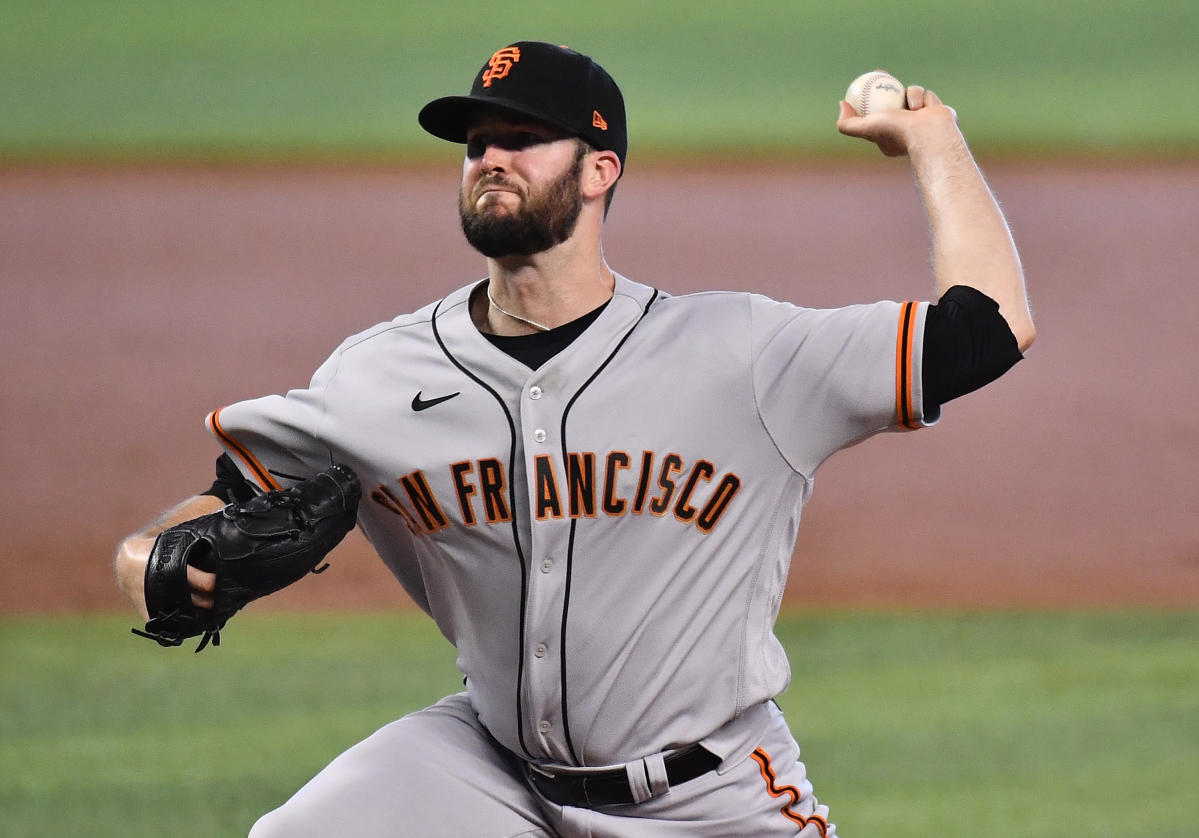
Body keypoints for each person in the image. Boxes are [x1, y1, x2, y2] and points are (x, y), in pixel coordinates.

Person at [115, 41, 1034, 838]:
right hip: (488, 769)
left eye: (520, 139)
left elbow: (988, 327)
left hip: (707, 793)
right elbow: (205, 514)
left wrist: (934, 140)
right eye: (476, 144)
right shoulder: (377, 377)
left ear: (600, 169)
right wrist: (159, 562)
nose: (489, 159)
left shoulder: (742, 353)